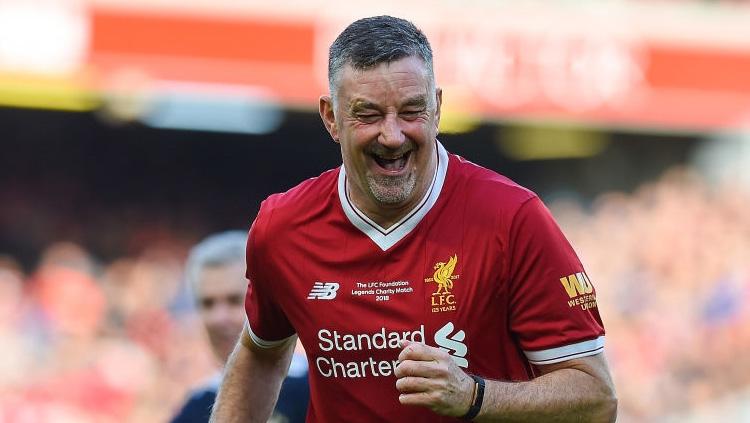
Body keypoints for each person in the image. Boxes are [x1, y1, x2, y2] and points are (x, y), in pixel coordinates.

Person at [211, 15, 617, 422]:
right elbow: (260, 353)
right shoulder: (282, 227)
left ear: (437, 108)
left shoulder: (512, 219)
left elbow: (597, 399)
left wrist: (474, 396)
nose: (392, 136)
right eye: (367, 114)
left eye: (411, 111)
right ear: (331, 117)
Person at [172, 231, 309, 423]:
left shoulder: (318, 388)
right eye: (208, 303)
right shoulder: (194, 409)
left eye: (235, 301)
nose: (219, 318)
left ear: (269, 301)